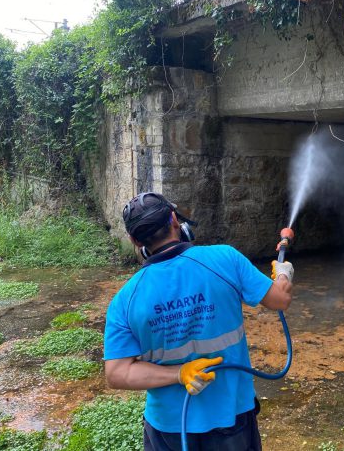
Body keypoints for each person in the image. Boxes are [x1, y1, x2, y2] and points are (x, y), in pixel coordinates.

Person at [103, 192, 293, 451]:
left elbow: (116, 374)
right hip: (231, 416)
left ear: (135, 241)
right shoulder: (225, 259)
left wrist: (179, 374)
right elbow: (279, 300)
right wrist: (283, 274)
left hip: (168, 428)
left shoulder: (124, 300)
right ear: (174, 220)